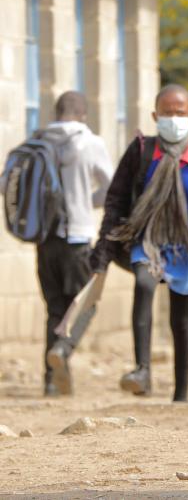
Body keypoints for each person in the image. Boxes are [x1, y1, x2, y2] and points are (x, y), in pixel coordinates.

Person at [91, 84, 188, 401]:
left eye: (180, 113)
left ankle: (181, 393)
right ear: (155, 116)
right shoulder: (141, 151)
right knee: (144, 284)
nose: (174, 118)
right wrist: (104, 247)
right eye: (167, 113)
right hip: (148, 239)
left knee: (180, 316)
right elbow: (116, 197)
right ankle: (142, 370)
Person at [38, 91, 114, 397]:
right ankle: (64, 349)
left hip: (44, 240)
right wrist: (86, 200)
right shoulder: (91, 142)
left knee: (56, 308)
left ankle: (51, 382)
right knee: (85, 305)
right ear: (82, 114)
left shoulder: (37, 141)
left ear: (57, 113)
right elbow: (109, 189)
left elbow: (8, 184)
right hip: (77, 237)